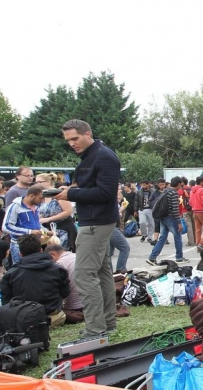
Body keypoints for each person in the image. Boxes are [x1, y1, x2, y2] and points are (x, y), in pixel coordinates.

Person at [53, 120, 120, 338]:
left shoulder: (103, 156)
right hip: (94, 220)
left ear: (88, 134)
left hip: (96, 223)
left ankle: (95, 329)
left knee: (83, 275)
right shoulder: (94, 155)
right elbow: (95, 188)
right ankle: (107, 323)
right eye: (68, 140)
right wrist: (72, 190)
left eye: (75, 138)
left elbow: (106, 193)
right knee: (101, 273)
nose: (72, 143)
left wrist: (71, 194)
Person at [0, 234, 69, 328]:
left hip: (22, 320)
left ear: (20, 254)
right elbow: (65, 292)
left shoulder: (10, 274)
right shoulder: (58, 269)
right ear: (41, 250)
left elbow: (6, 301)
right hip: (53, 317)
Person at [146, 176, 190, 265]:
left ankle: (152, 257)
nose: (181, 186)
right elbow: (175, 209)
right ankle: (179, 257)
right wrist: (179, 222)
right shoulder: (174, 193)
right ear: (178, 184)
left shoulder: (165, 191)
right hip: (171, 218)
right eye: (180, 185)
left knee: (162, 238)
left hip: (163, 217)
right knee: (178, 237)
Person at [35, 173, 77, 249]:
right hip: (49, 230)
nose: (37, 184)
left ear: (48, 182)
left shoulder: (58, 193)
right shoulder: (43, 195)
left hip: (63, 229)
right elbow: (44, 211)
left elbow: (68, 211)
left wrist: (48, 219)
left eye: (39, 182)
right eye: (36, 182)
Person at [46, 243, 85, 322]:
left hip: (74, 306)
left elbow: (62, 291)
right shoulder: (78, 256)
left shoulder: (59, 264)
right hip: (91, 302)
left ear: (53, 254)